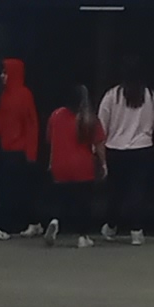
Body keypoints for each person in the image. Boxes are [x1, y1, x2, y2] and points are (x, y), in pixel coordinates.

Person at [0, 59, 43, 243]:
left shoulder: (23, 95)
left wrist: (31, 153)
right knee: (21, 190)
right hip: (10, 149)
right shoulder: (7, 96)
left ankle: (3, 227)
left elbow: (32, 125)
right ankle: (35, 222)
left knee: (9, 190)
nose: (2, 76)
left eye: (5, 73)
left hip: (18, 151)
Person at [95, 74, 154, 244]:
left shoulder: (112, 96)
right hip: (142, 149)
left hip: (115, 149)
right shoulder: (150, 97)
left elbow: (101, 123)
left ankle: (111, 226)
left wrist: (99, 148)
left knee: (115, 191)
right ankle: (136, 231)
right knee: (138, 190)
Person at [41, 79, 104, 246]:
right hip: (83, 166)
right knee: (84, 202)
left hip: (59, 164)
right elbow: (98, 143)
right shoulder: (90, 118)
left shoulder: (55, 115)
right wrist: (103, 164)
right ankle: (83, 236)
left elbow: (49, 139)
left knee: (61, 198)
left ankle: (55, 221)